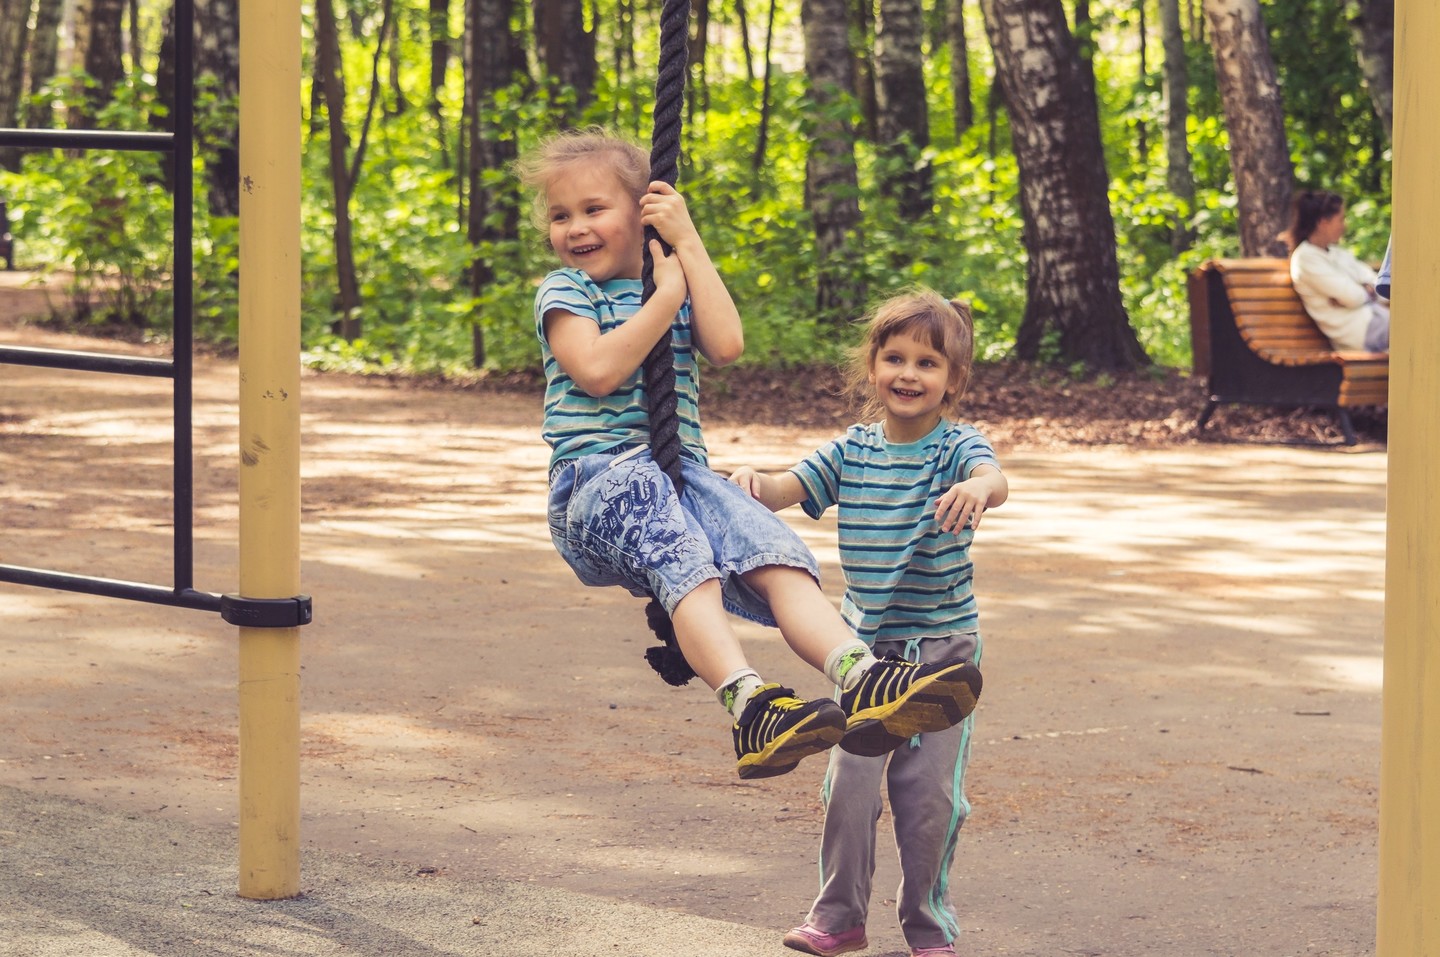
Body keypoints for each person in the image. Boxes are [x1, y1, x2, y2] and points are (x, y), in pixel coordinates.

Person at [516, 128, 983, 781]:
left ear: (644, 213)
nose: (575, 228)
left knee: (776, 552)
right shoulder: (568, 292)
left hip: (677, 475)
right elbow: (596, 371)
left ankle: (863, 676)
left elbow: (728, 342)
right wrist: (666, 301)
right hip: (597, 480)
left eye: (594, 209)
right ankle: (749, 702)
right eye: (561, 216)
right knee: (689, 564)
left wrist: (688, 247)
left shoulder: (671, 277)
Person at [728, 288, 1008, 957]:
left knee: (927, 800)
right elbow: (784, 487)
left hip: (942, 652)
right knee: (849, 787)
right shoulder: (851, 450)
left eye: (928, 363)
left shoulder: (956, 447)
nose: (909, 373)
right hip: (863, 654)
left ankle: (927, 924)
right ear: (873, 365)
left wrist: (978, 487)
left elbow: (993, 476)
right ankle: (839, 916)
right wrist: (748, 481)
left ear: (953, 381)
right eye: (895, 357)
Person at [1284, 189, 1389, 352]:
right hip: (1360, 332)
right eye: (1340, 219)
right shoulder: (1305, 259)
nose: (1344, 226)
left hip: (1378, 319)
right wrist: (1364, 290)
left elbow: (1375, 282)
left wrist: (1365, 291)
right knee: (1419, 326)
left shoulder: (1337, 253)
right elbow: (1353, 297)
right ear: (1323, 223)